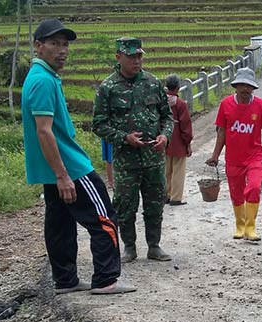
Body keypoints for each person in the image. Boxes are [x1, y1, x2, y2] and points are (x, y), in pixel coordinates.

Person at [22, 19, 135, 296]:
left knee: (59, 223)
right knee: (105, 218)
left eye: (65, 44)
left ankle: (66, 280)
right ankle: (107, 279)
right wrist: (63, 175)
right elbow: (44, 132)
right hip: (70, 166)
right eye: (54, 44)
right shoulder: (43, 81)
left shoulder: (38, 77)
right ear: (39, 46)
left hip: (53, 168)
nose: (62, 50)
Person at [92, 37, 174, 263]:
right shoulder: (108, 88)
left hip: (153, 159)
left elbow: (167, 117)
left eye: (139, 56)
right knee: (125, 206)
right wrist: (123, 138)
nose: (136, 61)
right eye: (131, 56)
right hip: (126, 161)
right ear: (119, 57)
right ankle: (129, 247)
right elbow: (98, 124)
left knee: (155, 203)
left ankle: (154, 246)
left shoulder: (153, 82)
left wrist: (164, 136)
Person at [206, 68, 262, 241]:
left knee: (254, 188)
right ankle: (240, 225)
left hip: (254, 157)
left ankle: (250, 228)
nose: (245, 89)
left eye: (249, 86)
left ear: (253, 88)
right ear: (236, 86)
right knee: (236, 194)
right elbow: (221, 132)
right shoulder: (226, 105)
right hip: (233, 158)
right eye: (242, 86)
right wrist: (215, 155)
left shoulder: (261, 106)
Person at [163, 74, 193, 206]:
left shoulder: (161, 101)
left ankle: (165, 195)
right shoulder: (180, 104)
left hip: (163, 139)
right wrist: (188, 143)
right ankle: (176, 197)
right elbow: (185, 125)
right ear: (178, 88)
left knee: (165, 170)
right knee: (178, 170)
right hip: (178, 140)